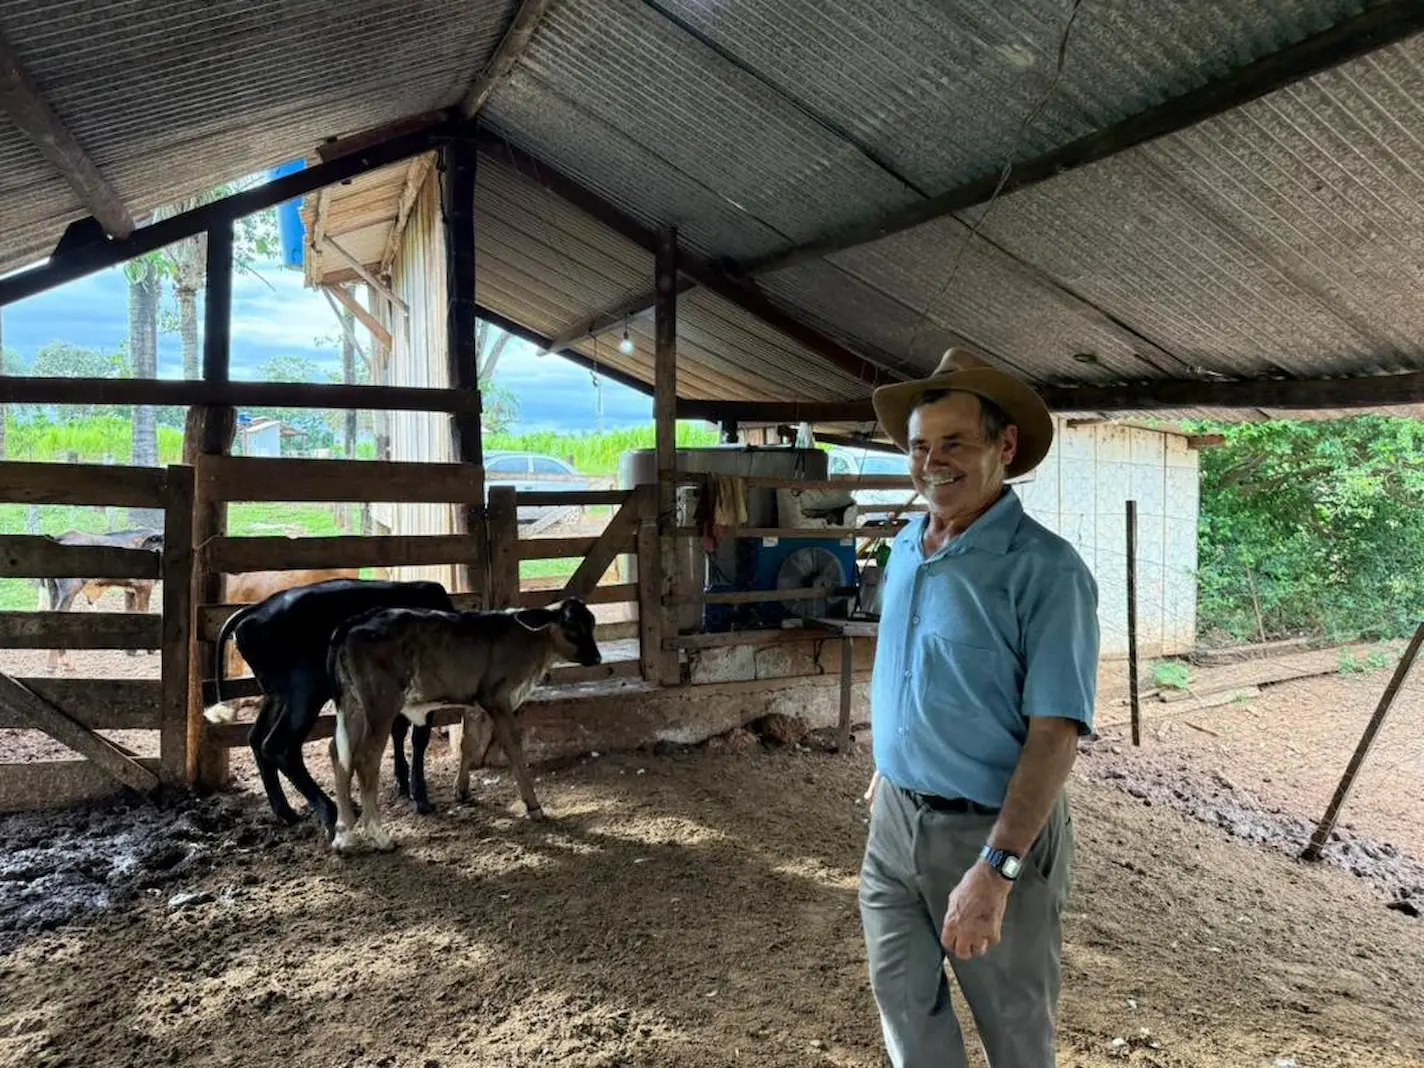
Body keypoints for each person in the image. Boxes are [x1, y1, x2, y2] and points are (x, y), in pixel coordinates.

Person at [858, 348, 1100, 1067]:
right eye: (920, 446)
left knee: (1014, 1030)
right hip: (896, 819)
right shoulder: (907, 545)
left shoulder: (1046, 571)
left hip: (990, 833)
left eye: (955, 443)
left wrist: (997, 869)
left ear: (1006, 447)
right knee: (906, 1012)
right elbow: (910, 667)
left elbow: (1056, 734)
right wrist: (891, 763)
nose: (933, 462)